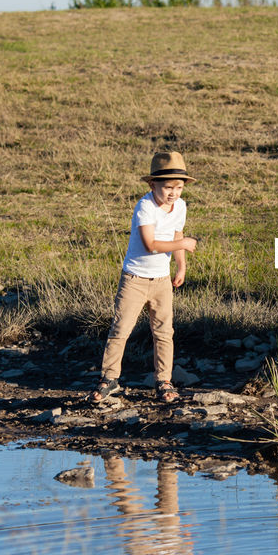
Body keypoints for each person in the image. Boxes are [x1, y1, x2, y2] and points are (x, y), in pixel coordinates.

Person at [90, 151, 198, 404]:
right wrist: (182, 243)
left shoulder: (180, 206)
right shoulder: (145, 207)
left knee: (163, 332)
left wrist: (180, 265)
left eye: (179, 187)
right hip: (134, 279)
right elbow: (150, 244)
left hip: (162, 280)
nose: (173, 193)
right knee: (121, 330)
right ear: (153, 185)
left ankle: (164, 380)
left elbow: (175, 235)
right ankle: (109, 379)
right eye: (167, 187)